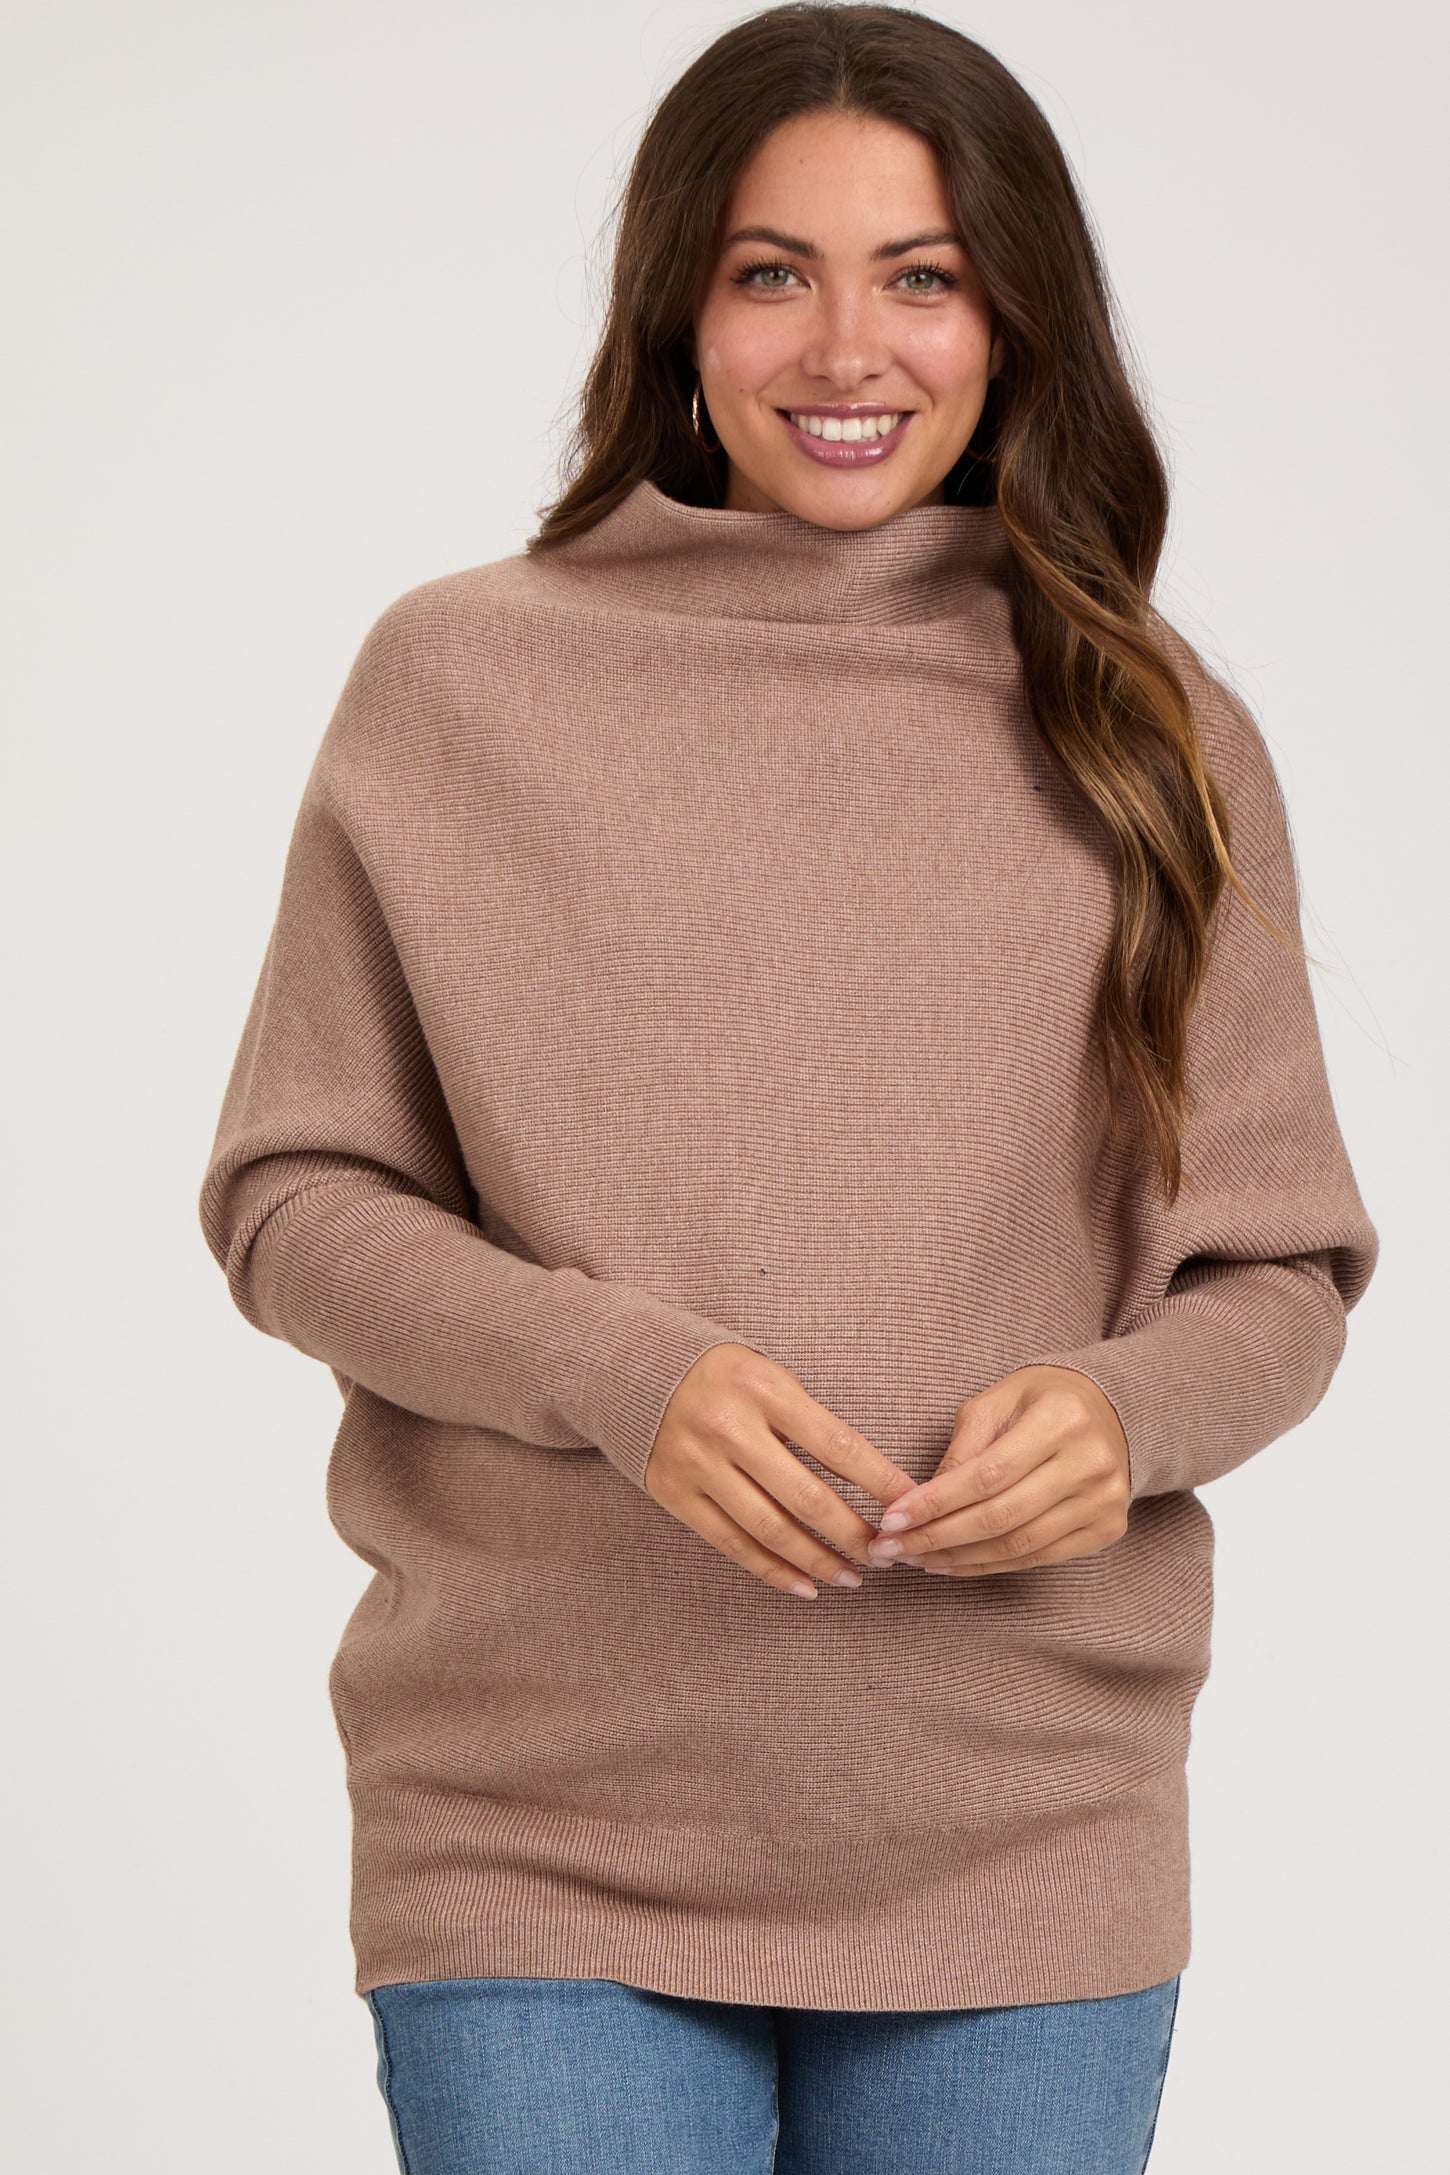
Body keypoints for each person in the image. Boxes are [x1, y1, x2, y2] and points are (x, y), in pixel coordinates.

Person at [197, 7, 1380, 2170]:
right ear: (679, 308)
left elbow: (1281, 1271)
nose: (848, 348)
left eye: (920, 275)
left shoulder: (1150, 726)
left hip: (1018, 1837)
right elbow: (295, 1198)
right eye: (773, 272)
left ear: (1011, 317)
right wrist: (608, 1370)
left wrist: (1122, 1416)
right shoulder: (461, 680)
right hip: (538, 1824)